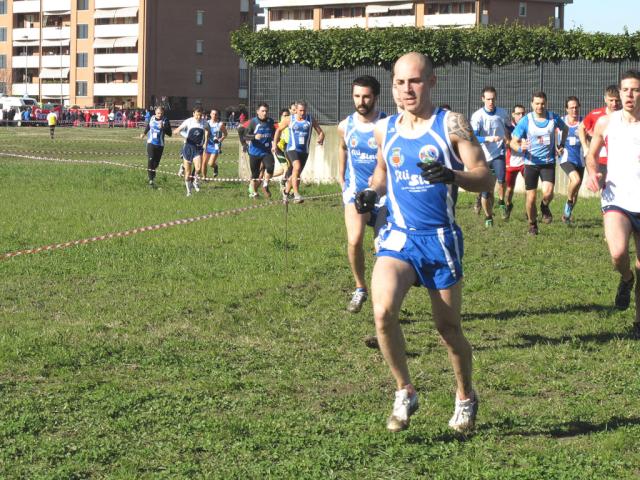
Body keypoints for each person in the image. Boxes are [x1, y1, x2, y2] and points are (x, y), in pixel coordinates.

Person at [355, 52, 494, 433]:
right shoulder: (385, 128)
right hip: (398, 236)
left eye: (414, 81)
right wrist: (370, 192)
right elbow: (382, 172)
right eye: (399, 82)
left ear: (431, 82)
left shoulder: (451, 124)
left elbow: (486, 177)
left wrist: (453, 176)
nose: (406, 90)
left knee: (448, 331)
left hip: (440, 239)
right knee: (382, 313)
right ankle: (405, 391)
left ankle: (465, 397)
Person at [586, 71, 640, 338]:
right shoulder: (606, 123)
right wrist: (593, 171)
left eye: (636, 90)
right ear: (619, 93)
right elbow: (591, 155)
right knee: (618, 253)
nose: (630, 95)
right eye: (626, 90)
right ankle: (626, 278)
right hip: (616, 199)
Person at [338, 75, 387, 314]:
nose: (361, 101)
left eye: (366, 96)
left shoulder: (388, 124)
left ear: (376, 97)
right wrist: (341, 177)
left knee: (382, 249)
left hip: (384, 196)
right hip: (355, 193)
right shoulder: (345, 125)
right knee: (354, 240)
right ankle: (360, 288)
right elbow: (342, 147)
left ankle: (384, 296)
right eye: (357, 96)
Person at [510, 91, 568, 235]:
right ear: (532, 104)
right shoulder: (526, 120)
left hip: (548, 162)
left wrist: (561, 144)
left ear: (546, 103)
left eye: (542, 103)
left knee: (548, 193)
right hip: (531, 163)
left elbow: (565, 128)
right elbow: (513, 142)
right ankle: (532, 224)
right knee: (531, 198)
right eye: (537, 103)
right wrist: (519, 147)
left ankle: (544, 206)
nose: (540, 106)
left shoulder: (553, 117)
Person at [470, 86, 511, 226]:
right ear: (483, 99)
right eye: (488, 99)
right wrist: (488, 139)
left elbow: (510, 128)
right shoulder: (477, 116)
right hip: (482, 156)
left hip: (498, 153)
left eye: (493, 99)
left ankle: (501, 201)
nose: (491, 102)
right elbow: (473, 137)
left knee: (502, 179)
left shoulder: (502, 113)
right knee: (485, 192)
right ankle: (488, 217)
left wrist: (517, 136)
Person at [273, 100, 325, 203]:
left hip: (304, 151)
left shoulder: (310, 120)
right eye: (300, 110)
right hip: (291, 149)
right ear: (295, 110)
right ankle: (296, 195)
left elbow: (321, 132)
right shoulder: (290, 119)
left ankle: (286, 193)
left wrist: (321, 138)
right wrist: (275, 144)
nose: (302, 113)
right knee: (296, 167)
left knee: (295, 174)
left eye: (304, 111)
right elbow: (278, 130)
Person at [579, 85, 622, 188]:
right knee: (603, 188)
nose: (614, 104)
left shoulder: (626, 115)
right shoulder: (596, 114)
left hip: (619, 160)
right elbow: (581, 128)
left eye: (617, 101)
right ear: (605, 99)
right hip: (601, 160)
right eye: (611, 100)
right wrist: (585, 147)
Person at [558, 96, 586, 223]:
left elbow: (591, 138)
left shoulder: (584, 122)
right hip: (566, 158)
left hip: (580, 160)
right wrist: (556, 148)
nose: (574, 110)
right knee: (576, 179)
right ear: (566, 109)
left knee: (575, 191)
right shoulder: (561, 122)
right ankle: (568, 202)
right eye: (571, 108)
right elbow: (551, 135)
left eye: (576, 107)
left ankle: (566, 216)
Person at [174, 106, 208, 197]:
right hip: (188, 147)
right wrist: (179, 132)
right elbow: (178, 129)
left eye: (200, 115)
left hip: (198, 148)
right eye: (197, 115)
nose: (199, 117)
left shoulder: (204, 122)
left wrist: (205, 142)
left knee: (198, 168)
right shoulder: (188, 121)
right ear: (193, 114)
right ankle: (189, 192)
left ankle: (195, 181)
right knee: (188, 173)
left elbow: (208, 131)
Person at [244, 103, 276, 199]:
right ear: (257, 112)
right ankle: (253, 192)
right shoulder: (253, 122)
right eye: (262, 111)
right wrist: (254, 136)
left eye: (266, 111)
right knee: (255, 174)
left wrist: (274, 144)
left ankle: (265, 185)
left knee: (270, 168)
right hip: (255, 152)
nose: (265, 113)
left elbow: (274, 134)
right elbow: (245, 136)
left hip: (266, 151)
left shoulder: (270, 121)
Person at [140, 106, 172, 188]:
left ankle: (152, 175)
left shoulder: (165, 120)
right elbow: (148, 126)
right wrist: (144, 133)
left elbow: (170, 133)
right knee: (150, 160)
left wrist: (163, 128)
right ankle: (151, 181)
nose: (159, 115)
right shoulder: (152, 118)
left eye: (161, 113)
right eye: (158, 113)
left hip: (160, 145)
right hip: (151, 143)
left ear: (163, 113)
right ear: (155, 113)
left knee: (155, 164)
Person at [504, 104, 527, 219]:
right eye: (518, 114)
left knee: (529, 187)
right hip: (511, 162)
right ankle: (508, 205)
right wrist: (519, 145)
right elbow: (507, 142)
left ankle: (529, 210)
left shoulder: (528, 126)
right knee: (509, 189)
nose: (521, 116)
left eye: (523, 113)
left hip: (525, 161)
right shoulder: (508, 127)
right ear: (513, 115)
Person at [202, 109, 227, 179]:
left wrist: (220, 140)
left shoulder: (220, 124)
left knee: (210, 163)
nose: (214, 115)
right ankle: (204, 178)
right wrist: (204, 144)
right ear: (210, 114)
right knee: (204, 162)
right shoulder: (207, 123)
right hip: (207, 144)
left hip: (216, 146)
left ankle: (215, 167)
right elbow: (205, 135)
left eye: (216, 114)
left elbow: (225, 134)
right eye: (213, 114)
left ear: (217, 115)